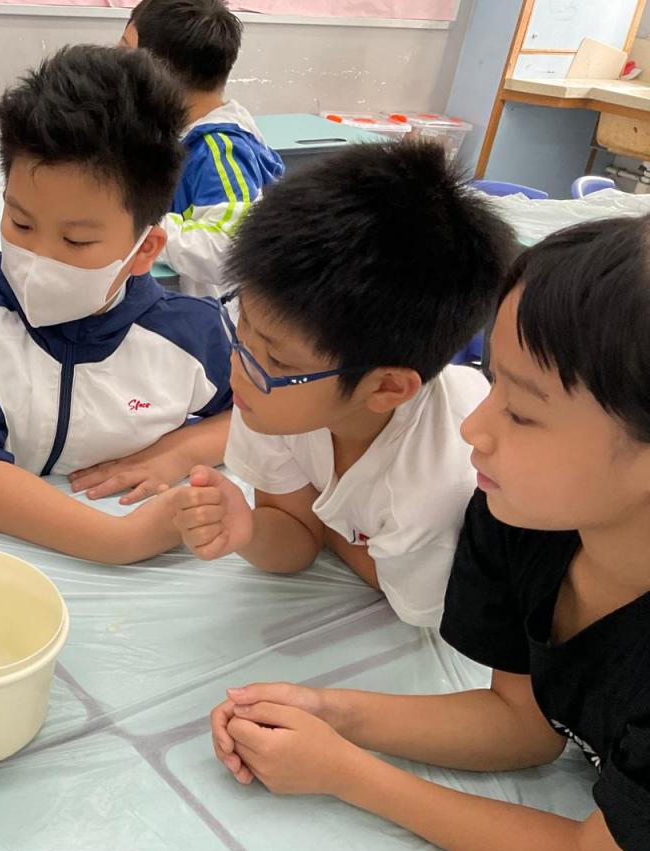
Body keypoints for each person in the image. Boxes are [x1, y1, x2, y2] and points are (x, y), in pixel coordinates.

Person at [210, 216, 650, 851]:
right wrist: (329, 713)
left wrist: (347, 774)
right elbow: (523, 724)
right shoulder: (525, 522)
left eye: (522, 412)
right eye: (493, 383)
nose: (474, 428)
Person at [0, 46, 232, 563]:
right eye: (20, 223)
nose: (38, 257)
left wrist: (178, 451)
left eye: (76, 241)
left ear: (145, 251)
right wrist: (119, 540)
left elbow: (260, 412)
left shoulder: (190, 333)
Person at [170, 140, 514, 627]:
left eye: (276, 359)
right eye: (241, 326)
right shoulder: (270, 391)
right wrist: (246, 529)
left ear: (386, 388)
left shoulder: (431, 491)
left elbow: (411, 605)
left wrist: (320, 522)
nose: (239, 368)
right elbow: (295, 533)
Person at [120, 0, 283, 297]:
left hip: (217, 318)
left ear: (158, 71)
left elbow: (229, 249)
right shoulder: (176, 129)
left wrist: (134, 226)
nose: (116, 62)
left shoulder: (220, 149)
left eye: (125, 52)